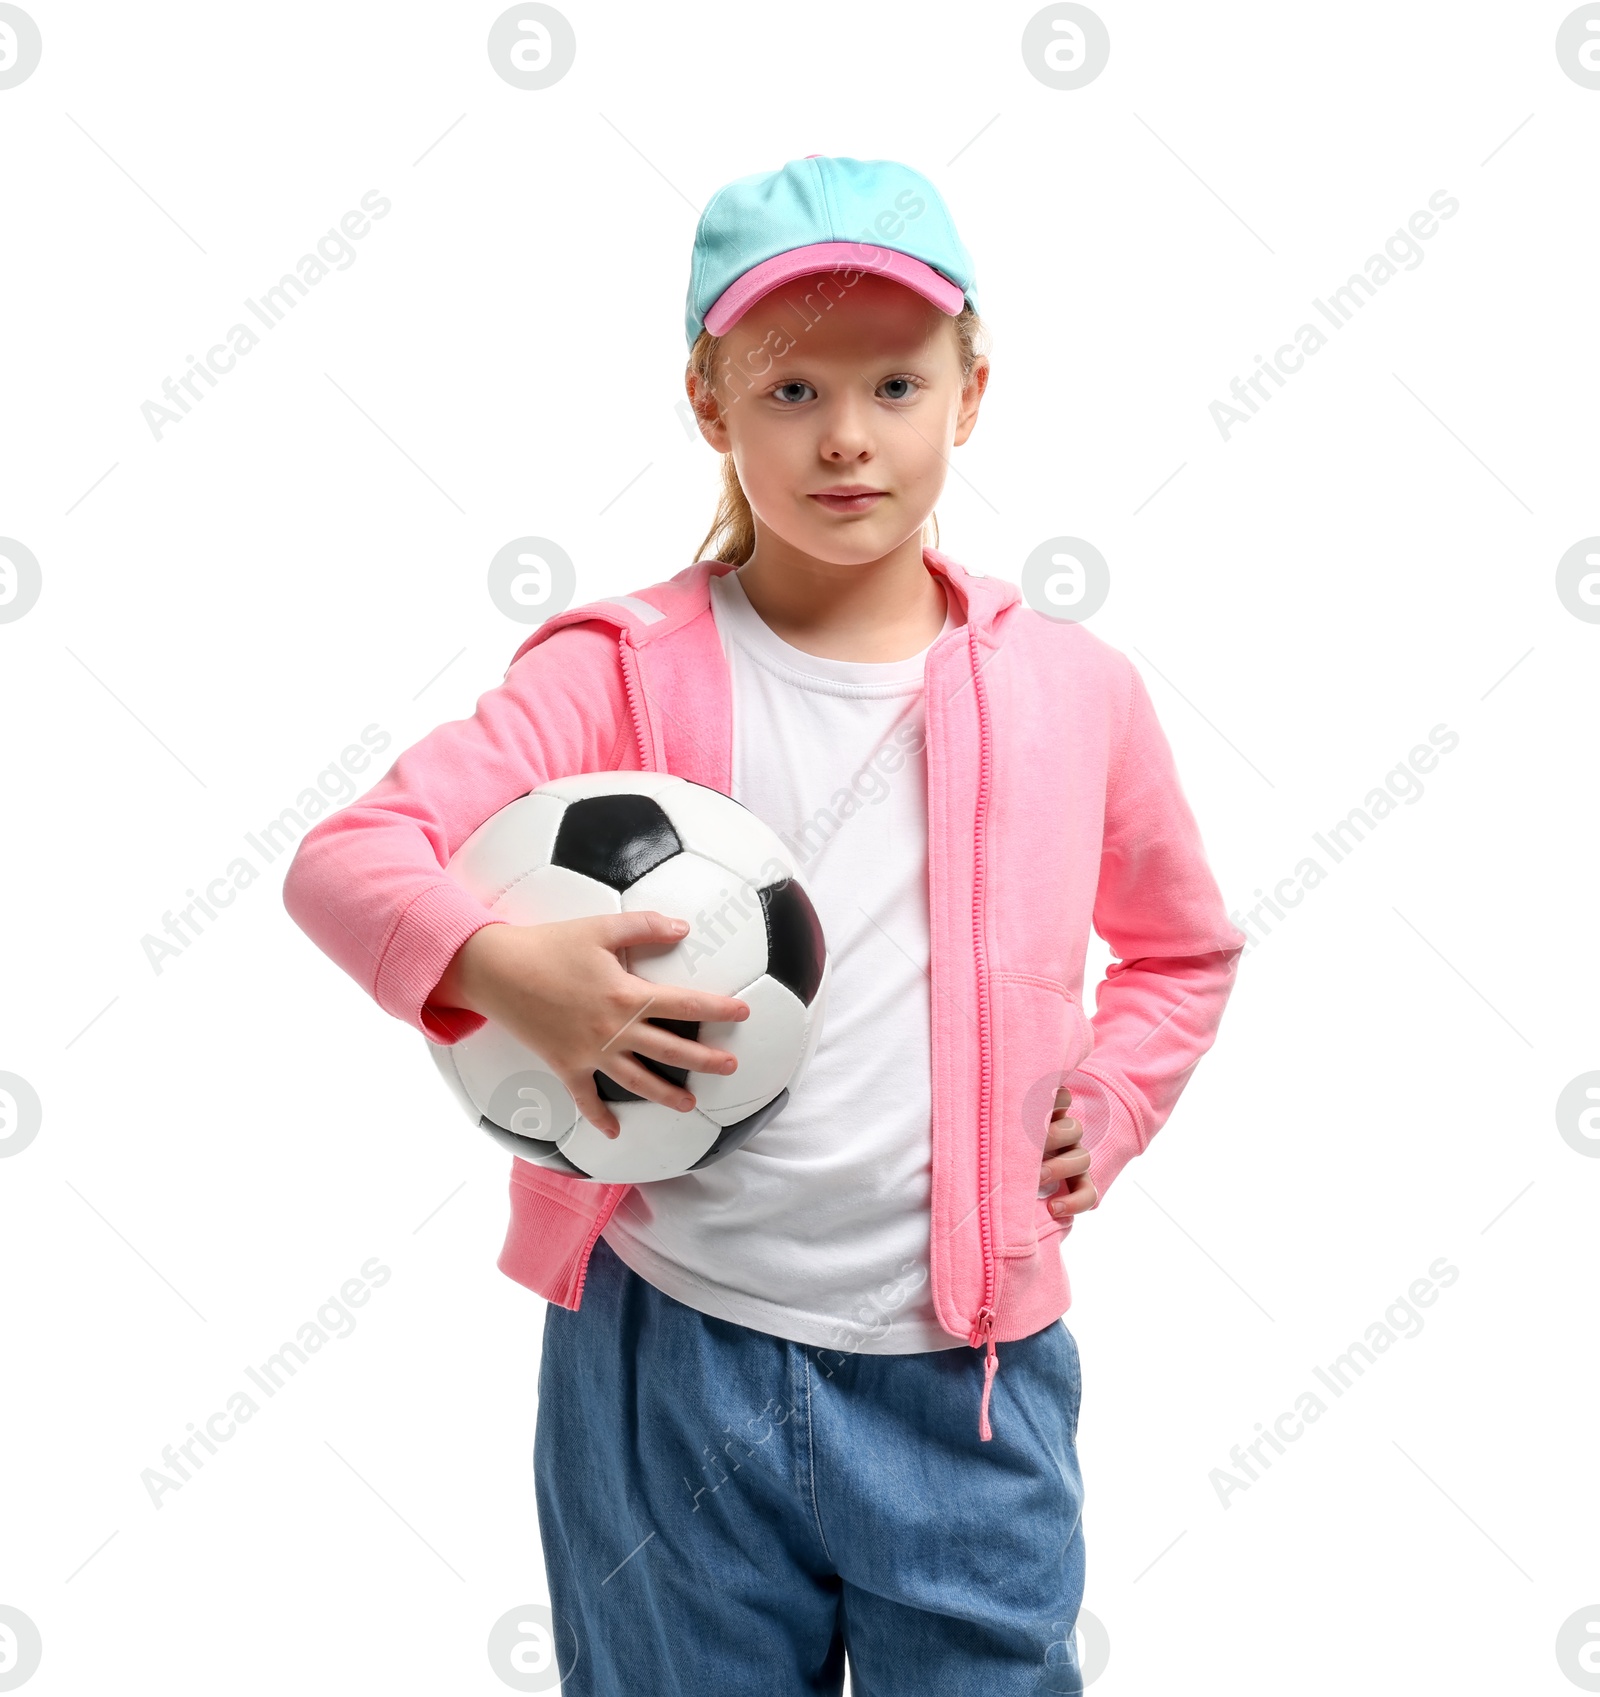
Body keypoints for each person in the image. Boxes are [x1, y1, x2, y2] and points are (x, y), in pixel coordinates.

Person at [282, 153, 1246, 1696]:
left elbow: (1183, 948)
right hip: (671, 1362)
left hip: (968, 1389)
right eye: (792, 391)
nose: (848, 437)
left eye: (895, 384)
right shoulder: (614, 671)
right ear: (709, 401)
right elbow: (347, 857)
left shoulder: (1077, 688)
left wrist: (1114, 1098)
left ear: (971, 392)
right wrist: (505, 969)